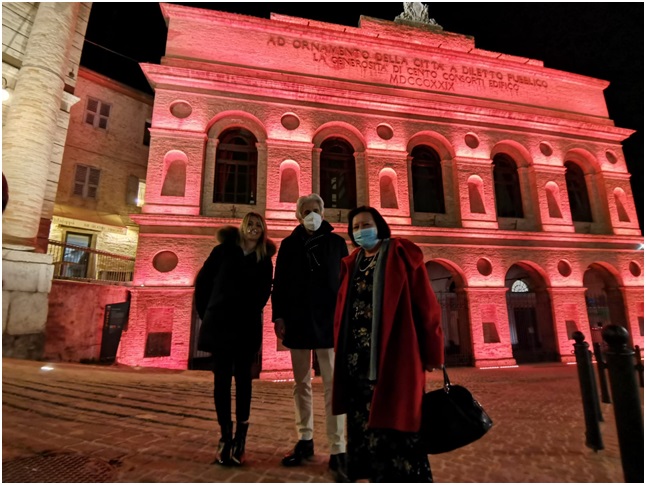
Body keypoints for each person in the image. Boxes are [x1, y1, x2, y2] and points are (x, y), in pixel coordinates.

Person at [332, 206, 444, 482]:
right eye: (355, 227)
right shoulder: (353, 261)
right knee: (364, 420)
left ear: (379, 226)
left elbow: (426, 305)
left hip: (394, 354)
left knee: (396, 417)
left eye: (365, 224)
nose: (360, 231)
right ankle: (373, 473)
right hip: (358, 360)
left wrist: (433, 351)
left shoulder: (400, 254)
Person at [271, 193, 349, 481]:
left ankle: (339, 449)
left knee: (332, 387)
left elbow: (345, 284)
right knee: (300, 384)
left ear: (323, 212)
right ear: (298, 215)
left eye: (316, 209)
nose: (312, 214)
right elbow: (278, 284)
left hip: (329, 323)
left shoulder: (336, 243)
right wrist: (278, 316)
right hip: (298, 321)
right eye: (307, 210)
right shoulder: (289, 245)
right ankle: (305, 440)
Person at [194, 212, 276, 467]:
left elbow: (264, 293)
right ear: (242, 227)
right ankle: (225, 437)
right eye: (250, 224)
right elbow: (204, 283)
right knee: (220, 380)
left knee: (243, 381)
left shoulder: (264, 260)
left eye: (258, 225)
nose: (253, 228)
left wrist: (249, 310)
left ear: (263, 231)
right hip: (220, 324)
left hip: (246, 326)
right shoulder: (222, 252)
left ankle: (241, 438)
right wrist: (209, 312)